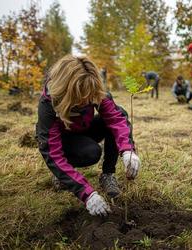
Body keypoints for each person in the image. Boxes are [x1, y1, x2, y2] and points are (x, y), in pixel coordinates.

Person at [36, 55, 141, 216]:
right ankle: (62, 174)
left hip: (85, 128)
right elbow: (52, 152)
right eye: (80, 98)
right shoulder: (49, 103)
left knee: (120, 114)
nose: (87, 101)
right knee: (91, 153)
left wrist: (128, 150)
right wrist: (87, 194)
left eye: (89, 97)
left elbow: (116, 118)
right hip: (65, 140)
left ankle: (108, 174)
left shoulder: (93, 87)